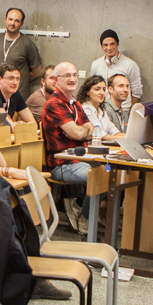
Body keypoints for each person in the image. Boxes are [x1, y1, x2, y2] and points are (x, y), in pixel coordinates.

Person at [41, 61, 91, 231]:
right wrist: (79, 131)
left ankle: (79, 207)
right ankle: (85, 217)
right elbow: (78, 134)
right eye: (67, 75)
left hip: (81, 160)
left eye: (75, 75)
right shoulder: (54, 104)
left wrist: (80, 130)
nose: (72, 79)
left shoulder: (75, 103)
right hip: (62, 165)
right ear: (56, 80)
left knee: (111, 173)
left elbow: (92, 129)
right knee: (100, 177)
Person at [0, 7, 43, 95]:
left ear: (21, 23)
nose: (12, 23)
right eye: (10, 19)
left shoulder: (27, 44)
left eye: (17, 21)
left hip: (18, 94)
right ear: (5, 20)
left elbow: (37, 71)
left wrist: (20, 80)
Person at [88, 30, 143, 105]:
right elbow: (92, 88)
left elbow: (137, 92)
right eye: (105, 45)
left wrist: (130, 110)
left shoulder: (130, 65)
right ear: (102, 46)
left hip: (123, 109)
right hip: (101, 108)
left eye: (112, 44)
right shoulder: (95, 64)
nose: (109, 48)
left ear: (117, 44)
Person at [77, 73, 121, 141]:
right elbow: (101, 136)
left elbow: (115, 132)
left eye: (104, 90)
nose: (102, 93)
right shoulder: (85, 109)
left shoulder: (101, 110)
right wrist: (129, 139)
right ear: (87, 92)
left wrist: (132, 138)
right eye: (97, 89)